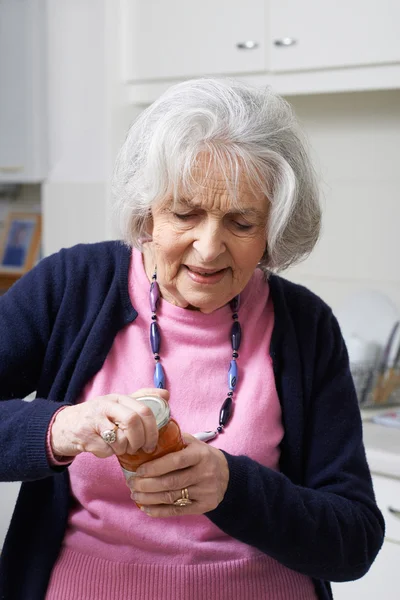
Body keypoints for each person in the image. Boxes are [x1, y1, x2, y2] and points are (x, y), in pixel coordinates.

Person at [0, 78, 384, 600]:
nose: (208, 248)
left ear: (273, 229)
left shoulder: (306, 326)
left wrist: (231, 486)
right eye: (185, 214)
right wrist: (61, 427)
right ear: (147, 212)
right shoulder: (73, 285)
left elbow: (354, 540)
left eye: (242, 222)